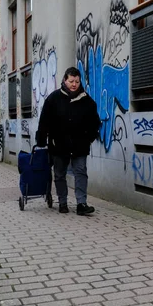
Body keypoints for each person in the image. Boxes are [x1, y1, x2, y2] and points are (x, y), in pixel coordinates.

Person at [36, 67, 101, 216]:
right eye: (71, 81)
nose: (74, 84)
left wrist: (88, 139)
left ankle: (81, 204)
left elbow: (95, 123)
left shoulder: (88, 101)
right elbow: (44, 121)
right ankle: (63, 202)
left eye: (77, 81)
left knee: (81, 172)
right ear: (65, 80)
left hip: (80, 145)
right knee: (59, 174)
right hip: (59, 144)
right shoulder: (53, 99)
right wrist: (41, 139)